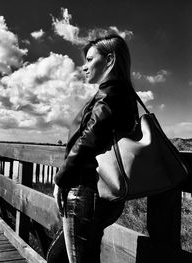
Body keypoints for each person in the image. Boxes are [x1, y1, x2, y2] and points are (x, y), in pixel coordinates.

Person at [52, 31, 139, 263]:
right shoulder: (121, 93)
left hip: (88, 190)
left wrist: (61, 179)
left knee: (69, 258)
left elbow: (90, 138)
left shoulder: (111, 94)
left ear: (109, 60)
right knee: (61, 256)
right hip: (100, 192)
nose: (84, 66)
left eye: (90, 59)